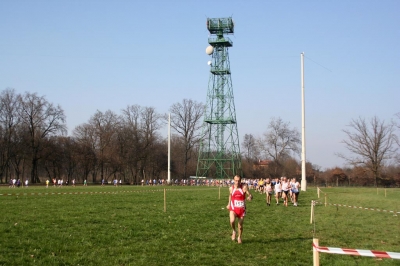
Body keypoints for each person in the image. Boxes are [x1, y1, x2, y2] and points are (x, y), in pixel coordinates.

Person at [227, 175, 253, 244]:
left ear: (240, 181)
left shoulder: (244, 187)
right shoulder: (231, 188)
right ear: (233, 180)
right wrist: (229, 204)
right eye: (235, 180)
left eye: (238, 180)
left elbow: (250, 195)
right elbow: (230, 195)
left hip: (241, 209)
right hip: (233, 208)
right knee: (232, 221)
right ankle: (234, 231)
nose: (237, 182)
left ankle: (239, 237)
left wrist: (250, 197)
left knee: (240, 226)